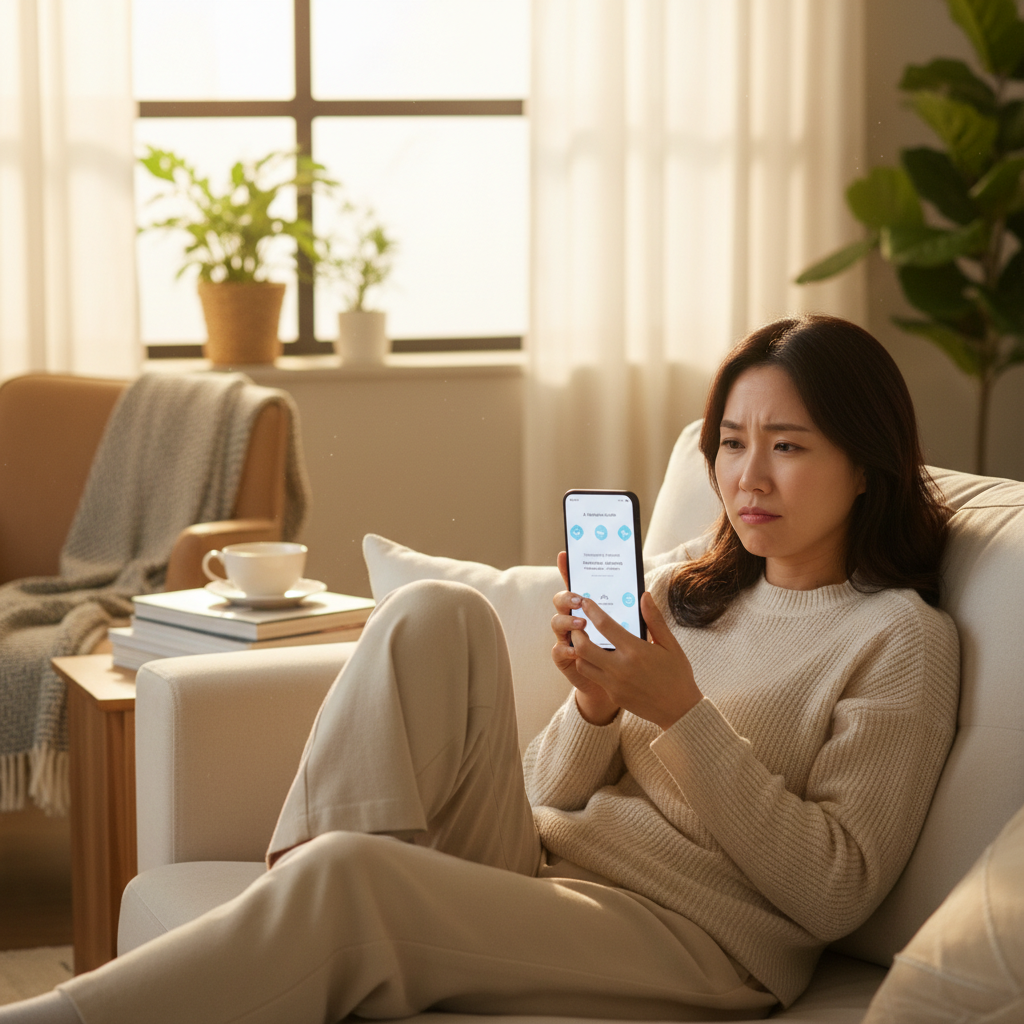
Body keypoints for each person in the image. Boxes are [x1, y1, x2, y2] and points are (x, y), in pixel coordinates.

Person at [3, 314, 959, 1024]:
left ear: (866, 464)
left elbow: (837, 889)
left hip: (699, 941)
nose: (749, 478)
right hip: (549, 871)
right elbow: (548, 793)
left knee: (355, 879)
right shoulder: (682, 586)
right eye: (734, 443)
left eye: (787, 447)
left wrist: (681, 714)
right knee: (434, 613)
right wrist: (592, 709)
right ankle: (288, 897)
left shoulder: (898, 639)